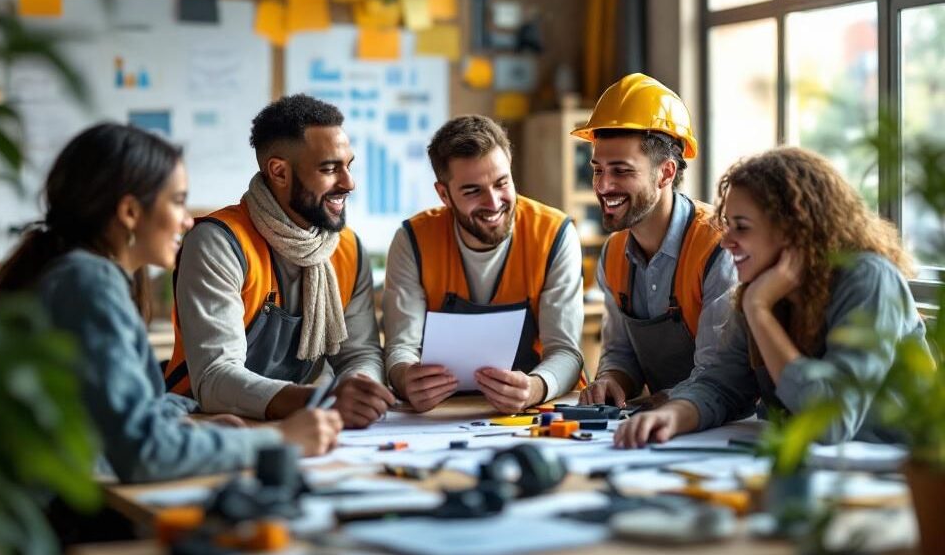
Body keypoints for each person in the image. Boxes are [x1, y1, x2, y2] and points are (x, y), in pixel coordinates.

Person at [0, 123, 340, 484]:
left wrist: (191, 425)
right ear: (129, 213)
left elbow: (118, 414)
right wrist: (279, 439)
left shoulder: (74, 272)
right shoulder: (88, 283)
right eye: (177, 201)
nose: (187, 220)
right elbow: (143, 453)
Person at [614, 146, 929, 447]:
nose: (727, 242)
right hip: (811, 467)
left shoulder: (868, 279)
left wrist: (760, 312)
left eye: (742, 227)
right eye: (728, 225)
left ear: (794, 229)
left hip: (901, 476)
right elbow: (722, 386)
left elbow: (829, 421)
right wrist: (671, 416)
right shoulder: (761, 288)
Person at [164, 95, 394, 429]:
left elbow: (359, 354)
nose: (349, 183)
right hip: (201, 425)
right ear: (279, 171)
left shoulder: (346, 248)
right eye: (330, 169)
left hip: (297, 422)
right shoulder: (219, 243)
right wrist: (320, 400)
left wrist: (361, 392)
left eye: (349, 165)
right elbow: (215, 378)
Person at [383, 115, 585, 413]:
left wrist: (536, 387)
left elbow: (566, 351)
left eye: (502, 183)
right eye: (472, 191)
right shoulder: (412, 240)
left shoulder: (554, 234)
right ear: (444, 195)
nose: (493, 203)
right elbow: (401, 349)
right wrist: (405, 379)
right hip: (440, 414)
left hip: (535, 410)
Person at [574, 73, 737, 407]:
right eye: (598, 170)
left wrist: (645, 408)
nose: (604, 186)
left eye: (621, 171)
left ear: (666, 173)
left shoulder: (717, 246)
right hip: (659, 423)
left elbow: (718, 377)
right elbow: (621, 353)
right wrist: (610, 382)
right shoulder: (615, 252)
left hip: (725, 428)